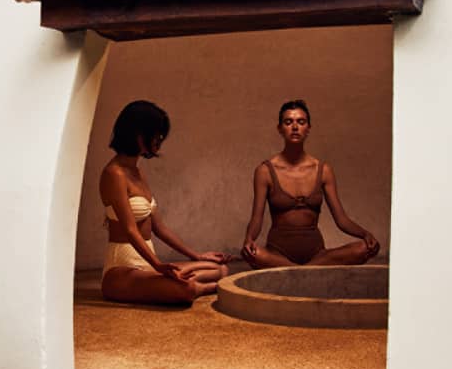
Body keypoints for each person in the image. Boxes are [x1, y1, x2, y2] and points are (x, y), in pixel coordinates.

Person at [99, 100, 231, 305]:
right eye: (156, 134)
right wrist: (160, 266)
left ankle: (195, 283)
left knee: (219, 269)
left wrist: (197, 255)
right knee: (185, 290)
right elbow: (130, 229)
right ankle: (207, 287)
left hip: (148, 265)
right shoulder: (113, 173)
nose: (159, 140)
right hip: (122, 270)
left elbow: (159, 228)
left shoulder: (137, 171)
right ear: (137, 133)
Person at [241, 99, 380, 268]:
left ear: (308, 128)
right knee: (252, 254)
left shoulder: (323, 170)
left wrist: (365, 234)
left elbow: (341, 219)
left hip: (317, 254)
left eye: (301, 122)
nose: (294, 127)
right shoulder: (265, 171)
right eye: (288, 122)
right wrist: (249, 239)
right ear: (280, 129)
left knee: (365, 248)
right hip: (277, 253)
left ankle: (296, 271)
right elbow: (257, 219)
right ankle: (308, 272)